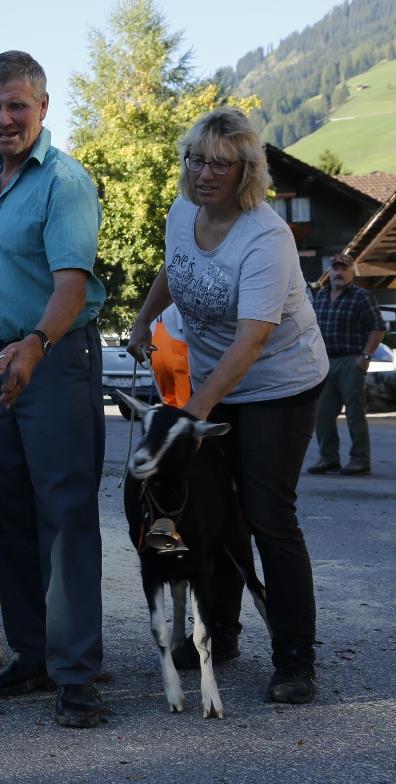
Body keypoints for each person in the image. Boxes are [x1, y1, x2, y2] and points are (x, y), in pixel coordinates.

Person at [127, 107, 328, 704]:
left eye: (220, 163)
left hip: (278, 384)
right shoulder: (183, 210)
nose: (204, 172)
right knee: (211, 510)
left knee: (267, 514)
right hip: (218, 380)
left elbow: (253, 338)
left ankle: (295, 658)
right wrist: (142, 321)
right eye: (196, 159)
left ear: (246, 172)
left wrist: (195, 414)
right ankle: (221, 631)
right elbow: (176, 269)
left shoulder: (267, 238)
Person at [0, 50, 108, 729]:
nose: (4, 119)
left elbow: (70, 283)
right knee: (13, 514)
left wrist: (34, 344)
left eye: (17, 107)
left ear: (42, 107)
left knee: (65, 516)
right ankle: (34, 656)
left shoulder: (66, 181)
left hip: (53, 359)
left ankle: (78, 675)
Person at [308, 254, 386, 475]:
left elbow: (378, 327)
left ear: (352, 272)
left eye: (344, 268)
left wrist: (366, 356)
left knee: (354, 413)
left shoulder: (361, 296)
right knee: (323, 413)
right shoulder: (321, 295)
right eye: (335, 268)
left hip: (351, 361)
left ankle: (360, 459)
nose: (339, 272)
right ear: (329, 271)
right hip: (325, 362)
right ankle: (328, 458)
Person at [150, 304, 192, 408]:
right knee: (184, 405)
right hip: (177, 360)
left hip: (158, 360)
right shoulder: (177, 303)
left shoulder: (153, 306)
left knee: (169, 402)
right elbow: (187, 331)